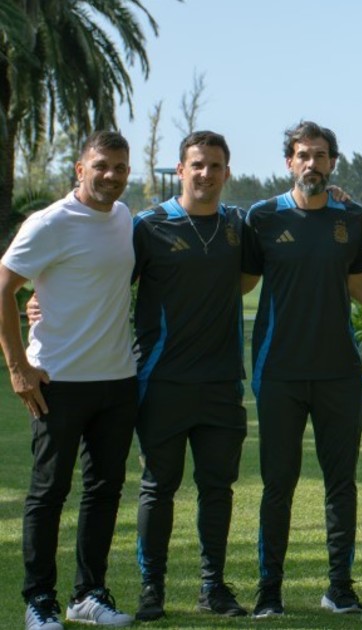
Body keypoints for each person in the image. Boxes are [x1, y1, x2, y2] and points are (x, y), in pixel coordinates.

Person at [241, 121, 362, 618]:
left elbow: (358, 284)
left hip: (340, 373)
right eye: (303, 155)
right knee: (277, 484)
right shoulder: (262, 217)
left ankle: (340, 588)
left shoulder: (352, 216)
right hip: (278, 373)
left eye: (321, 155)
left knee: (341, 484)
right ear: (289, 162)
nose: (312, 163)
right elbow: (238, 282)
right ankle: (269, 591)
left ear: (332, 162)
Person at [1, 131, 139, 629]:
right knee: (49, 493)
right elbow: (4, 286)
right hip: (57, 382)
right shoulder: (49, 223)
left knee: (104, 492)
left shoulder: (125, 218)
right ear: (80, 170)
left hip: (118, 380)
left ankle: (88, 595)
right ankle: (38, 600)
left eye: (119, 167)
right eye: (101, 165)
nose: (110, 175)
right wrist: (18, 367)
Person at [128, 131, 249, 621]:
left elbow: (292, 218)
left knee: (218, 488)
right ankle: (151, 589)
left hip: (222, 382)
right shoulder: (147, 226)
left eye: (215, 165)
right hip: (162, 380)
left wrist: (337, 196)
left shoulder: (238, 225)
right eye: (197, 164)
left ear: (227, 173)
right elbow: (103, 279)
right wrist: (40, 302)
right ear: (180, 170)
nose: (206, 173)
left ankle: (212, 587)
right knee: (159, 487)